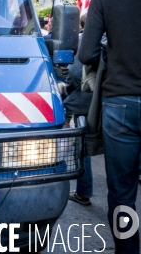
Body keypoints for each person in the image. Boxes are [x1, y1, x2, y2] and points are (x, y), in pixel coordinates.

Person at [79, 0, 141, 253]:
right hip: (122, 103)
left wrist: (111, 53)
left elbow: (86, 53)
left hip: (121, 104)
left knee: (122, 192)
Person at [64, 14, 94, 206]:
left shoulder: (82, 42)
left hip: (85, 103)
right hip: (112, 101)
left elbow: (74, 76)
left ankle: (84, 192)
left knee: (83, 148)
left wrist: (68, 92)